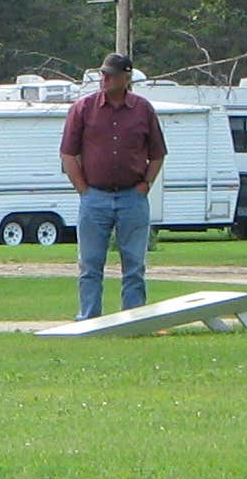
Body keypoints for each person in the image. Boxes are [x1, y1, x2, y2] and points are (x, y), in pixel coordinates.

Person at [58, 51, 166, 319]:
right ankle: (89, 319)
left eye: (111, 75)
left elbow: (158, 153)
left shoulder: (143, 109)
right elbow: (68, 153)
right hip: (95, 197)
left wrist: (145, 185)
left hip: (132, 196)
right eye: (103, 74)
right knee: (90, 265)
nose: (104, 79)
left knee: (134, 265)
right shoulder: (83, 108)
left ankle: (133, 319)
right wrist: (82, 188)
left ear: (126, 77)